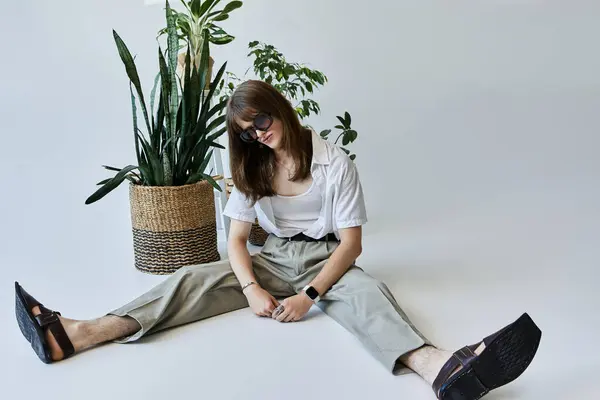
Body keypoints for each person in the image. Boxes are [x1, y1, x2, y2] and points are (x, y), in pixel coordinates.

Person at [14, 80, 542, 400]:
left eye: (261, 121)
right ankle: (76, 334)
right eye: (246, 131)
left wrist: (308, 296)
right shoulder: (250, 164)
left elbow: (350, 247)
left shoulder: (335, 161)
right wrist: (251, 290)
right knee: (190, 279)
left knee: (366, 297)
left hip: (324, 257)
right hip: (269, 259)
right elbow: (239, 241)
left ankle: (442, 368)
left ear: (280, 109)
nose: (257, 134)